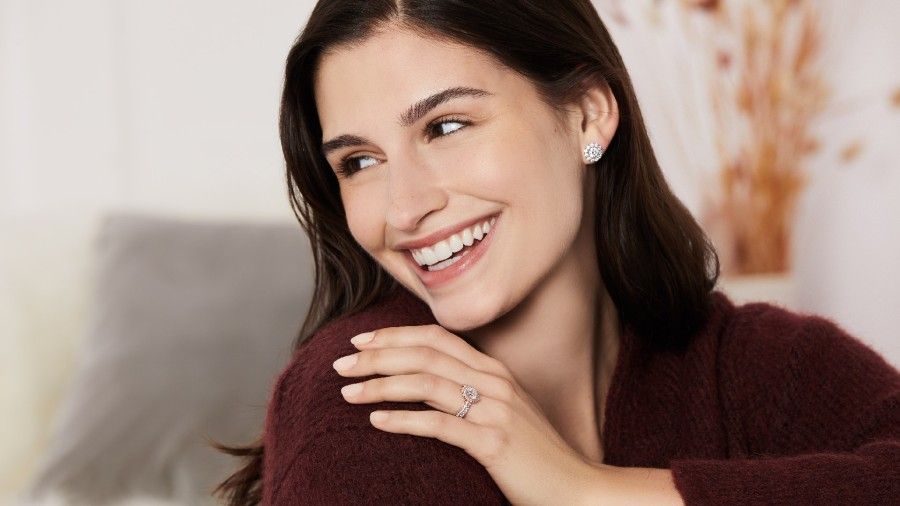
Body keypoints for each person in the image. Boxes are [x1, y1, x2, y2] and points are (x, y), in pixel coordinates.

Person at [211, 1, 900, 504]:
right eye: (360, 161)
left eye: (446, 125)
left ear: (587, 115)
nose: (403, 207)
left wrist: (587, 491)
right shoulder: (367, 395)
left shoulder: (749, 362)